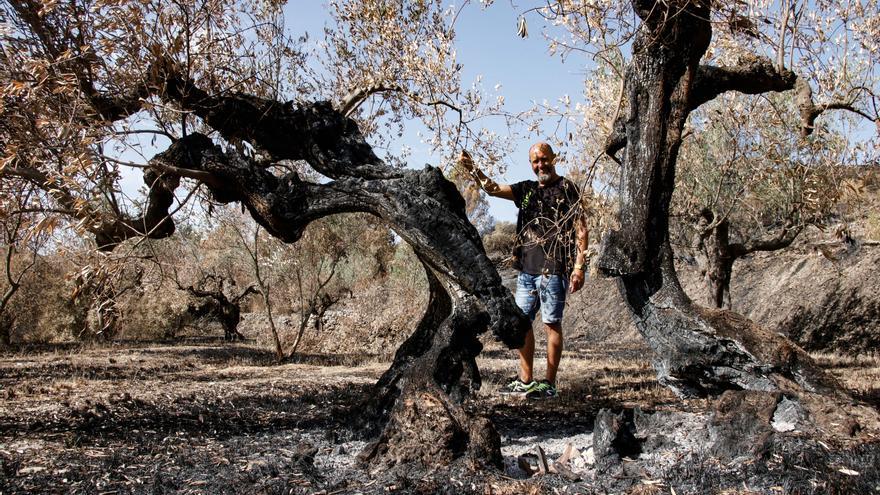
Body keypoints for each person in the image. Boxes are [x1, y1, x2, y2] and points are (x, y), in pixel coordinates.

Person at [458, 143, 588, 399]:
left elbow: (581, 229)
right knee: (522, 322)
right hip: (526, 271)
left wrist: (579, 266)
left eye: (544, 159)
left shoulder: (567, 189)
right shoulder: (526, 191)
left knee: (551, 323)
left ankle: (549, 383)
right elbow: (492, 189)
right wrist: (473, 168)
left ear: (554, 158)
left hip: (555, 269)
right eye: (535, 161)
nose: (540, 165)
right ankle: (526, 379)